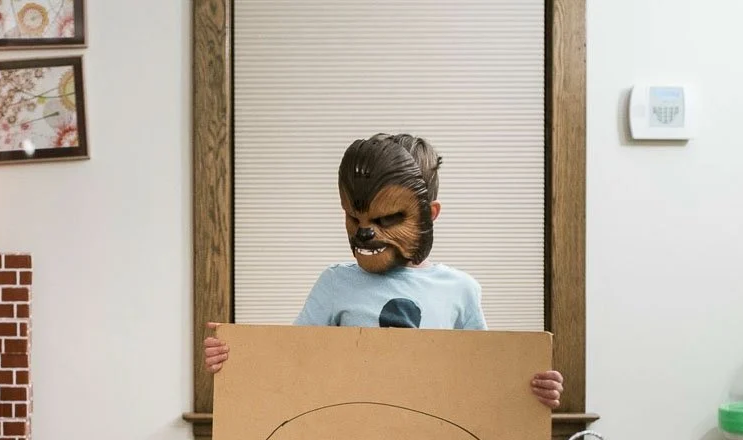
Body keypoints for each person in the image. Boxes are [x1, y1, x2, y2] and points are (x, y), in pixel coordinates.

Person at [204, 132, 564, 408]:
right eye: (354, 218)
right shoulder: (335, 283)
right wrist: (236, 358)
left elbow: (485, 377)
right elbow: (291, 363)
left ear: (430, 213)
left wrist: (533, 390)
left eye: (386, 219)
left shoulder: (460, 290)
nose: (365, 231)